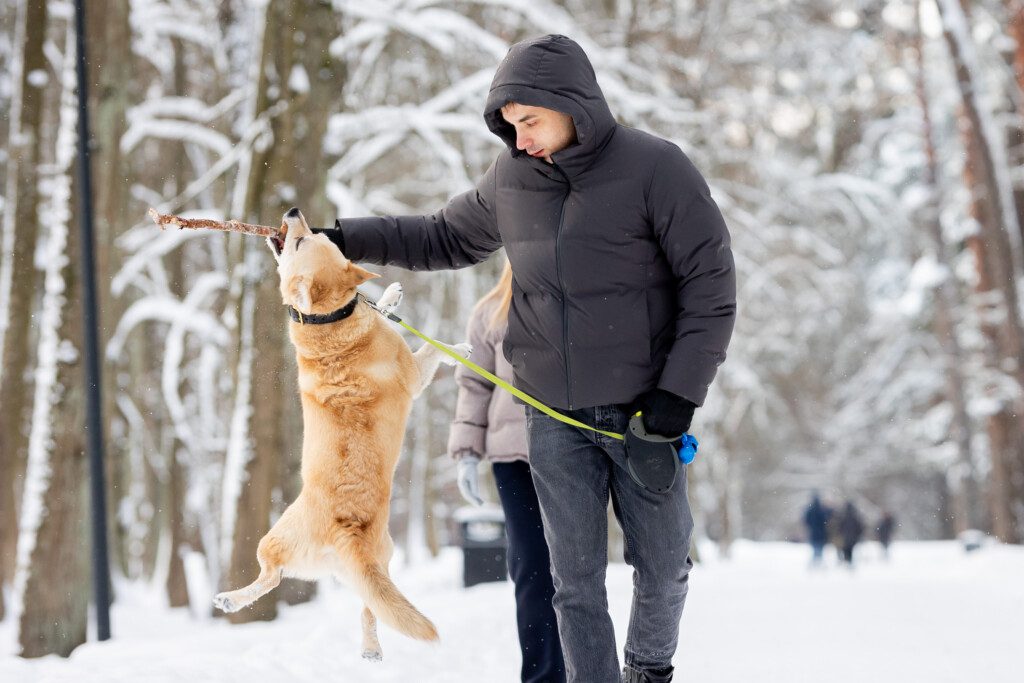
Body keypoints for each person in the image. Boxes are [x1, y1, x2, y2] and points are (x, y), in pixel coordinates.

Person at [278, 34, 736, 683]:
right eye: (510, 125)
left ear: (572, 103)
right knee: (573, 581)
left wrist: (677, 397)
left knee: (663, 565)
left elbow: (712, 287)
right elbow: (443, 235)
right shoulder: (513, 179)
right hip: (551, 413)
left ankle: (647, 669)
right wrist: (342, 236)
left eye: (529, 122)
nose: (519, 139)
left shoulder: (656, 169)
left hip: (645, 414)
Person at [447, 260, 565, 683]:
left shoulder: (576, 300)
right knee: (531, 567)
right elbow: (474, 383)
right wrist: (467, 453)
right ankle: (543, 675)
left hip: (572, 455)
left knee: (573, 570)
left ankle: (586, 669)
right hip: (512, 459)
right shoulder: (490, 312)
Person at [803, 492, 832, 567]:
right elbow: (827, 520)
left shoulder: (810, 510)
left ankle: (815, 564)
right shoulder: (822, 510)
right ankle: (818, 563)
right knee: (819, 549)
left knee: (815, 549)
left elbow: (806, 521)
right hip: (821, 534)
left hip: (813, 533)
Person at [837, 501, 865, 566]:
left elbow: (840, 526)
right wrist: (858, 534)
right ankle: (849, 562)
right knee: (850, 549)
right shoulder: (855, 516)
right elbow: (860, 527)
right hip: (853, 537)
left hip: (845, 537)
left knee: (846, 549)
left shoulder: (843, 516)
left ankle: (847, 562)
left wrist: (840, 533)